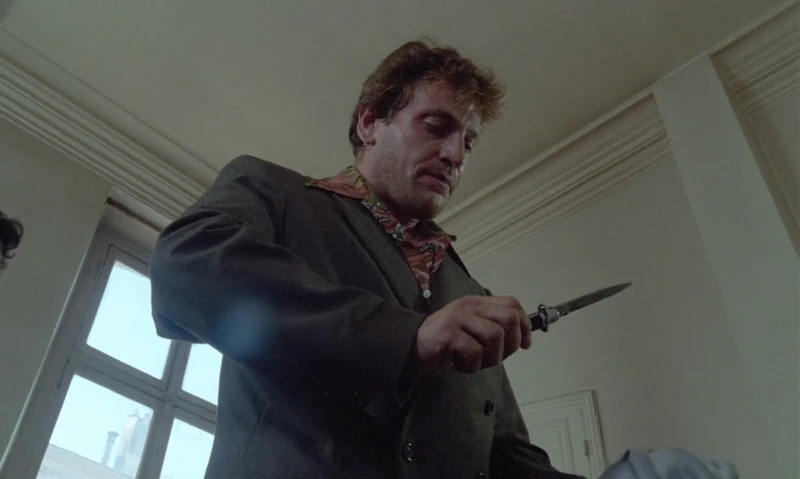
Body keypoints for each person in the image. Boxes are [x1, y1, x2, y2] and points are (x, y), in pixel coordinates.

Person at [150, 39, 583, 478]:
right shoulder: (276, 193)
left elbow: (503, 455)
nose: (455, 155)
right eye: (436, 127)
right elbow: (186, 265)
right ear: (370, 122)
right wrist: (408, 338)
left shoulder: (472, 294)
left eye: (468, 143)